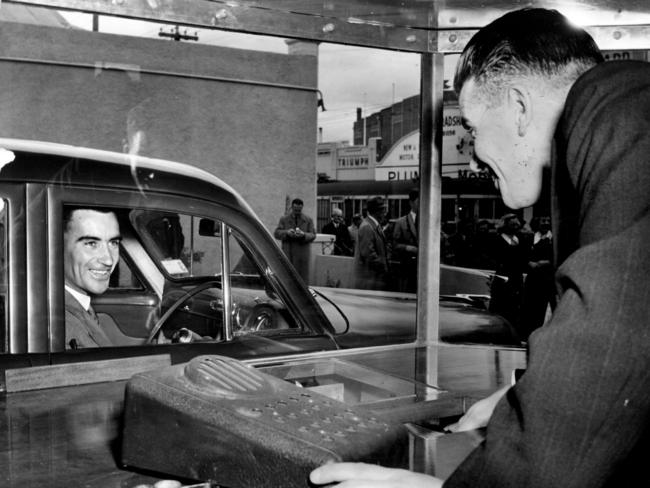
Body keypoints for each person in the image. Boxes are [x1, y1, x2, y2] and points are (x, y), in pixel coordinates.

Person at [311, 7, 650, 487]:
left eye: (470, 127)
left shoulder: (623, 110)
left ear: (518, 106)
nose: (470, 151)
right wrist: (528, 401)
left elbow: (611, 346)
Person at [64, 207, 121, 349]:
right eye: (91, 243)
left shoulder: (78, 304)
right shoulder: (60, 325)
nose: (108, 260)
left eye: (113, 243)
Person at [488, 213, 528, 336]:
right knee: (501, 308)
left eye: (517, 224)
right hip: (502, 280)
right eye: (512, 225)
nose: (516, 227)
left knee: (515, 308)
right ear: (505, 226)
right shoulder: (496, 240)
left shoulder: (519, 240)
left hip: (517, 279)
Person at [520, 215, 555, 339]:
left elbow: (558, 257)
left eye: (548, 221)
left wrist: (545, 263)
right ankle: (528, 334)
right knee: (530, 306)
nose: (545, 223)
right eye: (543, 220)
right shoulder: (530, 238)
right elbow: (523, 255)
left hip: (548, 278)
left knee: (544, 307)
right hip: (533, 278)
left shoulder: (554, 239)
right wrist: (529, 263)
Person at [273, 198, 316, 282]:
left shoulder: (308, 220)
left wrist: (304, 235)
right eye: (295, 210)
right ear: (292, 208)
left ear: (302, 208)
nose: (297, 212)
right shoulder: (284, 219)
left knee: (301, 279)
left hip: (302, 254)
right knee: (288, 277)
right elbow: (276, 233)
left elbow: (313, 235)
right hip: (288, 253)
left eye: (299, 210)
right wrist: (287, 232)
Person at [354, 196, 390, 290]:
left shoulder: (373, 225)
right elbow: (368, 255)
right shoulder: (367, 227)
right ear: (377, 212)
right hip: (370, 280)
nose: (384, 214)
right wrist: (384, 266)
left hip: (374, 278)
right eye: (383, 211)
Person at [392, 188, 419, 292]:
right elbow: (395, 245)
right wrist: (409, 248)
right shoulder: (401, 222)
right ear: (411, 203)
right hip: (407, 267)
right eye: (418, 202)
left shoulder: (428, 221)